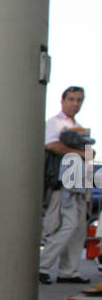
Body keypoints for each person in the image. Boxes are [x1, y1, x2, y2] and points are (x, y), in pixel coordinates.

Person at [39, 86, 92, 286]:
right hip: (62, 184)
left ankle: (69, 271)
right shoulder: (55, 123)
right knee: (65, 226)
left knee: (77, 228)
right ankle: (43, 266)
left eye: (79, 100)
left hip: (78, 183)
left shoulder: (77, 126)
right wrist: (81, 153)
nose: (75, 103)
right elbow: (51, 145)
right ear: (63, 101)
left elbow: (89, 153)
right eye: (72, 99)